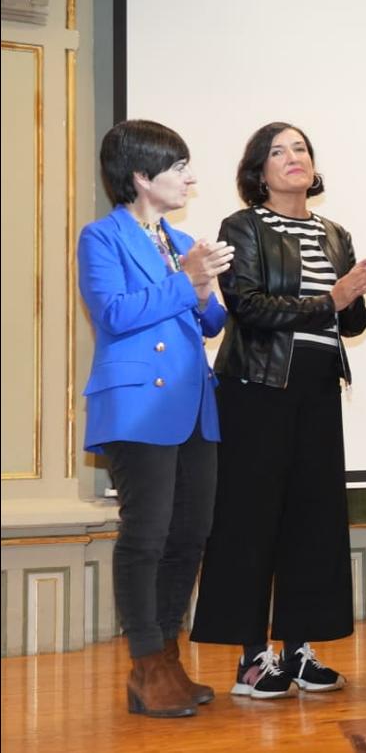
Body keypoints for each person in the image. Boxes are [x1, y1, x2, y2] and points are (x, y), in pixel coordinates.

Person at [190, 122, 366, 698]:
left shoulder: (333, 233)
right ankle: (253, 658)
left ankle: (299, 648)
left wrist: (359, 293)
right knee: (252, 518)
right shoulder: (242, 227)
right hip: (257, 386)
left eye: (300, 148)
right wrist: (333, 298)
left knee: (313, 518)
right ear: (259, 170)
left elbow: (350, 324)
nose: (292, 157)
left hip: (319, 385)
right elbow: (246, 306)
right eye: (278, 151)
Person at [79, 120, 233, 717]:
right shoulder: (103, 237)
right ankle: (145, 662)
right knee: (146, 536)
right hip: (139, 405)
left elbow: (212, 321)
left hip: (193, 406)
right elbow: (114, 313)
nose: (190, 178)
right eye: (178, 168)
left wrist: (205, 288)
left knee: (191, 534)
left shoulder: (180, 238)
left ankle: (167, 656)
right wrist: (185, 280)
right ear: (141, 176)